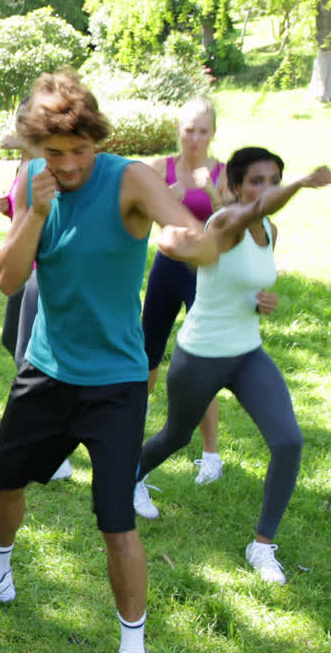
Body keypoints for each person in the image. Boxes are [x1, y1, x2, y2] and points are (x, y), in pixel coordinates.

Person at [0, 70, 256, 653]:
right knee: (4, 483)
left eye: (81, 150)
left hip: (115, 382)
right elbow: (7, 280)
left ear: (97, 140)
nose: (71, 164)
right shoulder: (33, 177)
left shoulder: (129, 178)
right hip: (47, 369)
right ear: (36, 146)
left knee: (115, 521)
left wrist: (191, 241)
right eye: (56, 152)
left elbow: (185, 231)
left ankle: (134, 643)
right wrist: (33, 212)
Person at [133, 149, 329, 584]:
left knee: (288, 441)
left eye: (274, 178)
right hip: (200, 354)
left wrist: (260, 302)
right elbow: (257, 209)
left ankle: (261, 545)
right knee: (177, 436)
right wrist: (298, 183)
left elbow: (240, 278)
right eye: (257, 180)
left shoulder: (270, 230)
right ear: (237, 188)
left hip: (246, 354)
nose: (267, 187)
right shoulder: (223, 224)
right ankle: (132, 476)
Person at [141, 97, 228, 484]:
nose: (194, 138)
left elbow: (232, 223)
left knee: (203, 363)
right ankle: (132, 430)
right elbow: (136, 215)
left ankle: (210, 454)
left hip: (203, 276)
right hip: (166, 268)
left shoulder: (222, 172)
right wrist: (164, 200)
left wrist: (212, 194)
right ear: (179, 130)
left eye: (202, 131)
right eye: (189, 129)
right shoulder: (161, 168)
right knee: (147, 354)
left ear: (212, 133)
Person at [0, 115, 73, 481]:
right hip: (22, 269)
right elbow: (23, 215)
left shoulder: (52, 168)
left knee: (30, 357)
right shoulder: (26, 167)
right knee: (12, 342)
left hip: (43, 274)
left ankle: (55, 450)